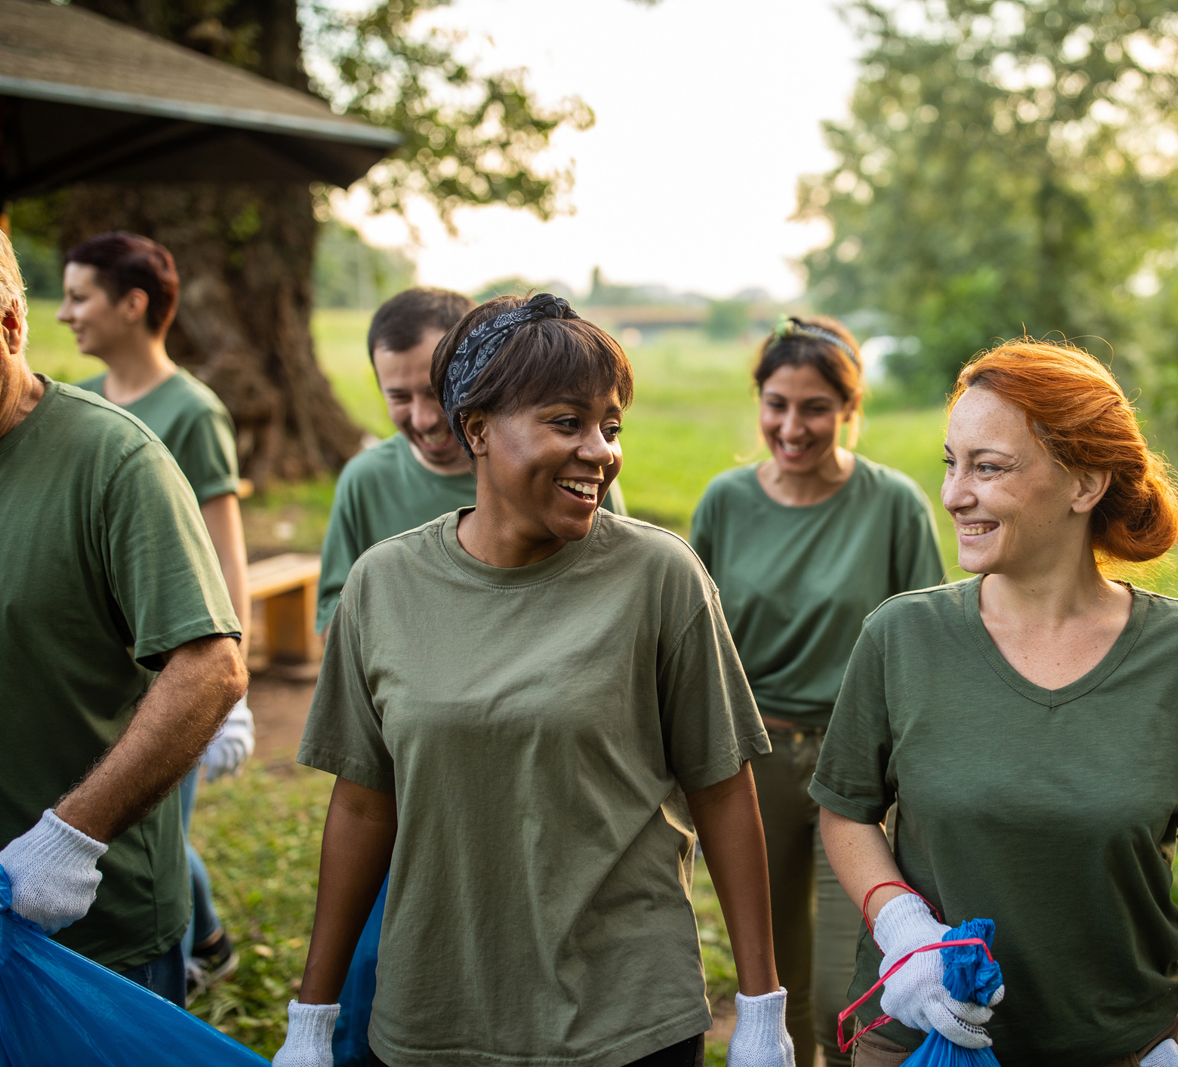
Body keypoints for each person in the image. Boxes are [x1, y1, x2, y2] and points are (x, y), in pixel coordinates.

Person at [273, 294, 793, 1067]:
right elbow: (360, 802)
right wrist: (312, 1017)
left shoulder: (659, 577)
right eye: (565, 422)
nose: (600, 451)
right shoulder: (383, 586)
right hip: (437, 1012)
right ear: (476, 428)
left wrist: (761, 1010)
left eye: (610, 426)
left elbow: (722, 786)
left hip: (624, 1017)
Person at [813, 339, 1178, 1067]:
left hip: (1121, 1048)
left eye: (988, 467)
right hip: (922, 1041)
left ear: (1085, 482)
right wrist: (900, 921)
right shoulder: (901, 635)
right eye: (951, 461)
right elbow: (845, 808)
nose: (954, 493)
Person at [0, 190, 247, 1012]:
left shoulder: (114, 459)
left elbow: (212, 664)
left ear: (8, 324)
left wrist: (69, 838)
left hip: (81, 945)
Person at [689, 316, 944, 1067]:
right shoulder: (725, 502)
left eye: (814, 407)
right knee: (776, 983)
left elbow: (924, 648)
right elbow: (692, 643)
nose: (791, 426)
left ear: (850, 408)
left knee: (845, 986)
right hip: (750, 760)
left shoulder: (892, 504)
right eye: (776, 403)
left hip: (856, 772)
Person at [60, 230, 255, 998]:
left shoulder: (192, 411)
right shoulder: (76, 405)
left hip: (168, 668)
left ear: (133, 304)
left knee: (148, 839)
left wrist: (229, 692)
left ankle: (179, 958)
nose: (67, 312)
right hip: (94, 672)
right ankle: (211, 937)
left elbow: (222, 548)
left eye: (80, 295)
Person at [316, 286, 627, 636]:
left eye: (436, 393)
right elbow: (338, 618)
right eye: (400, 397)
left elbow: (614, 573)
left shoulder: (572, 479)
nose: (422, 419)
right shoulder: (366, 481)